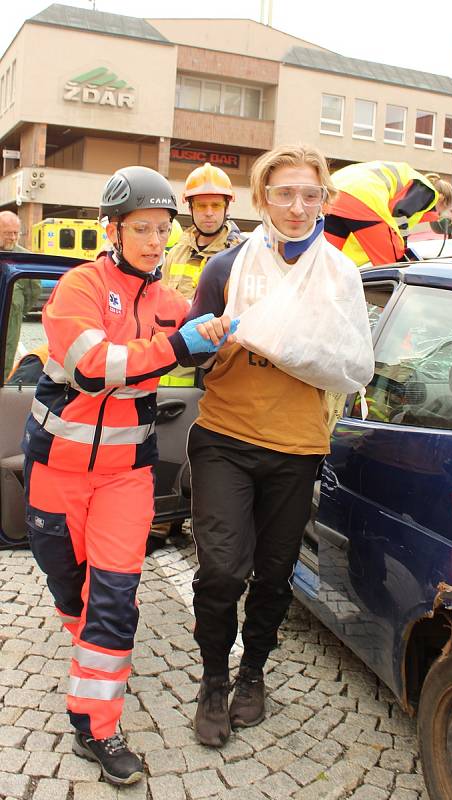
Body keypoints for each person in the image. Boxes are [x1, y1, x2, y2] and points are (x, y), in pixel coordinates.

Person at [21, 165, 231, 785]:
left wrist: (221, 326)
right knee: (72, 595)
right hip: (56, 474)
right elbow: (93, 363)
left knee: (113, 602)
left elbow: (200, 323)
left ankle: (96, 724)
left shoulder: (166, 300)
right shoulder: (78, 288)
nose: (154, 241)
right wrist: (178, 346)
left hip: (125, 479)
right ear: (111, 229)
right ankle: (97, 653)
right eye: (141, 228)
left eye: (163, 230)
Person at [183, 144, 368, 747]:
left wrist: (287, 347)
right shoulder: (224, 270)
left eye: (310, 194)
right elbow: (192, 356)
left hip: (296, 446)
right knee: (219, 571)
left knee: (274, 575)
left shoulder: (339, 275)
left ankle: (253, 672)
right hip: (226, 438)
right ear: (262, 199)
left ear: (324, 200)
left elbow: (349, 364)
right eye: (284, 193)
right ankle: (214, 679)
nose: (297, 206)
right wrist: (207, 341)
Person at [160, 162, 243, 387]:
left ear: (227, 207)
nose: (208, 213)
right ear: (190, 208)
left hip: (210, 377)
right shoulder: (176, 250)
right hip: (167, 371)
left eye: (215, 205)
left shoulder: (238, 255)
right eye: (201, 205)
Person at [323, 161, 452, 266]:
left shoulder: (410, 178)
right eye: (442, 210)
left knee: (326, 260)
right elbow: (399, 213)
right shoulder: (428, 191)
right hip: (364, 195)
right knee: (391, 266)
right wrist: (402, 246)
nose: (438, 215)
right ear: (441, 198)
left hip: (334, 190)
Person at [0, 210, 41, 377]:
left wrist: (17, 311)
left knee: (5, 357)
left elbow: (34, 291)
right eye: (7, 233)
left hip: (11, 318)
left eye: (16, 233)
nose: (12, 237)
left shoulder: (25, 257)